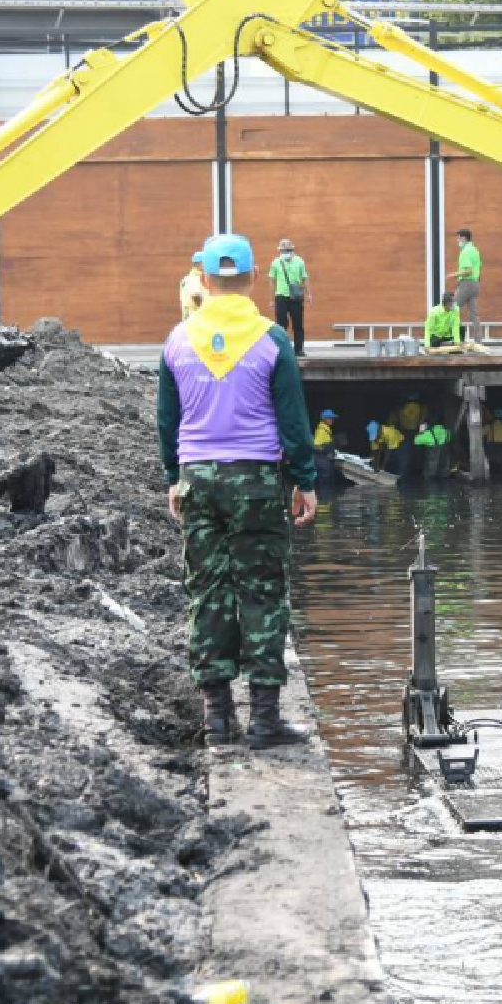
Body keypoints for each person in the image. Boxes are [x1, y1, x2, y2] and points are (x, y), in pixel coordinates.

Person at [156, 232, 317, 750]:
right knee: (262, 591)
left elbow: (167, 420)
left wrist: (172, 477)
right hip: (257, 481)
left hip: (198, 477)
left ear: (203, 278)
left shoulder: (177, 341)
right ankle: (266, 720)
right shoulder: (271, 339)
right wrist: (305, 482)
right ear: (252, 280)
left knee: (207, 592)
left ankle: (218, 719)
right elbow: (293, 420)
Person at [268, 237, 312, 357]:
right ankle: (282, 350)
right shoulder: (276, 263)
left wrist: (309, 294)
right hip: (281, 296)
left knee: (298, 323)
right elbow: (272, 281)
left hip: (296, 297)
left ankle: (299, 349)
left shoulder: (299, 261)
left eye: (287, 250)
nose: (285, 253)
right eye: (283, 251)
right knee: (281, 324)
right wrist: (271, 300)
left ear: (292, 250)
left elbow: (305, 278)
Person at [450, 227, 482, 339]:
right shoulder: (475, 250)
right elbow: (477, 268)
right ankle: (478, 339)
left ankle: (457, 337)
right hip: (475, 284)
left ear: (464, 238)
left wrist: (453, 275)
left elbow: (468, 270)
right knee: (474, 314)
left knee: (452, 308)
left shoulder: (465, 252)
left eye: (458, 238)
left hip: (466, 284)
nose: (457, 241)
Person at [313, 408, 339, 483]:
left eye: (332, 418)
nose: (332, 420)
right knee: (325, 484)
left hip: (325, 461)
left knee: (329, 482)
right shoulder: (321, 430)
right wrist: (326, 451)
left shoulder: (327, 429)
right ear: (324, 419)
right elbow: (316, 446)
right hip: (322, 462)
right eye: (330, 418)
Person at [179, 251, 207, 320]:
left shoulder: (188, 278)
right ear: (199, 264)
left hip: (191, 318)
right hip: (197, 319)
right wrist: (206, 311)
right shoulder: (194, 278)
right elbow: (196, 296)